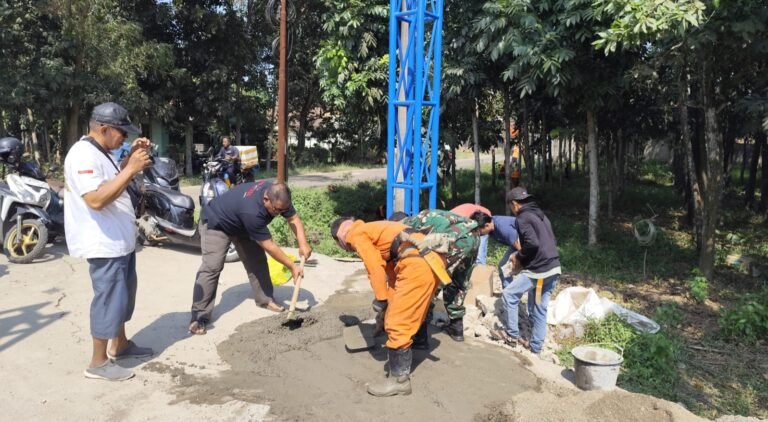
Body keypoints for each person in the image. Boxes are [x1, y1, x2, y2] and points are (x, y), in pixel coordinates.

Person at [64, 102, 154, 381]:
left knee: (123, 296)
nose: (124, 138)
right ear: (104, 128)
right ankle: (98, 362)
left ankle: (121, 345)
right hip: (103, 243)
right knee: (109, 299)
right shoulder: (81, 155)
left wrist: (130, 159)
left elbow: (114, 179)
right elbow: (96, 199)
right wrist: (131, 170)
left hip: (120, 240)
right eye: (122, 133)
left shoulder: (101, 152)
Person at [330, 217, 447, 397]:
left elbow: (374, 268)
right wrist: (388, 307)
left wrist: (381, 301)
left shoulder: (355, 234)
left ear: (340, 240)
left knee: (397, 322)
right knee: (411, 309)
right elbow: (393, 276)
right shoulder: (376, 230)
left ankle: (399, 381)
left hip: (416, 262)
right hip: (430, 259)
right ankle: (420, 343)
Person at [188, 180, 312, 335]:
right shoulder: (252, 211)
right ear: (266, 199)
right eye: (276, 210)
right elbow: (269, 245)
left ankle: (266, 300)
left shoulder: (279, 195)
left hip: (241, 224)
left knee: (257, 261)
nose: (279, 213)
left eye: (282, 210)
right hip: (217, 223)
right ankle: (199, 317)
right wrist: (292, 266)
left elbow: (293, 219)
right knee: (212, 267)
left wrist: (303, 243)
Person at [399, 209, 483, 344]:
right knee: (459, 281)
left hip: (456, 240)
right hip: (474, 237)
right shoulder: (426, 215)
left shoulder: (407, 225)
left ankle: (420, 336)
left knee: (431, 282)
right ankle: (456, 328)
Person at [495, 187, 560, 355]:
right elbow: (550, 239)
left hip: (539, 272)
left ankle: (512, 335)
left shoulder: (523, 218)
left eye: (511, 206)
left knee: (509, 294)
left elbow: (532, 244)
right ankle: (536, 346)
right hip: (554, 267)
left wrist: (519, 257)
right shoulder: (540, 215)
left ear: (514, 204)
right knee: (540, 306)